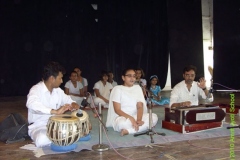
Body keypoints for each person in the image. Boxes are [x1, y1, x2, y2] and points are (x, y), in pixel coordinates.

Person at [26, 62, 80, 147]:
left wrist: (73, 104)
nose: (62, 81)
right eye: (60, 78)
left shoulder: (58, 90)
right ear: (52, 78)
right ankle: (60, 139)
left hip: (56, 126)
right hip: (39, 126)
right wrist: (54, 111)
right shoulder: (36, 89)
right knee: (42, 140)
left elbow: (67, 99)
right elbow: (31, 104)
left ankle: (59, 139)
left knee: (77, 131)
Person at [106, 68, 158, 136]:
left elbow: (139, 106)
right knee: (121, 124)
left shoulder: (137, 88)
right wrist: (131, 119)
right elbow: (117, 110)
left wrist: (139, 120)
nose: (132, 78)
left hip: (136, 116)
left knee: (154, 117)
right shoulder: (117, 89)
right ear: (123, 77)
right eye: (129, 76)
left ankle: (129, 131)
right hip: (123, 117)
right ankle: (141, 127)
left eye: (134, 76)